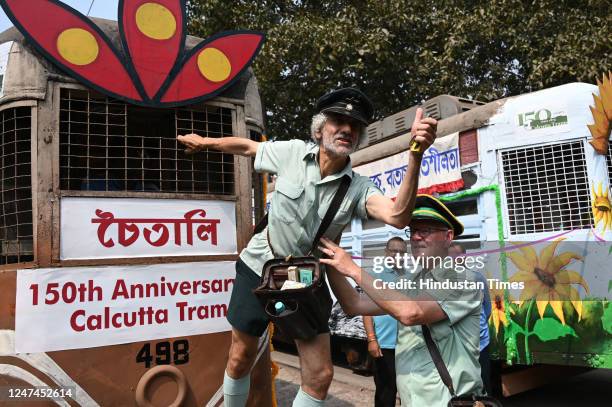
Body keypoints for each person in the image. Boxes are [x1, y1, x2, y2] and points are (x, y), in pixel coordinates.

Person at [177, 88, 438, 407]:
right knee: (240, 357)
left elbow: (398, 216)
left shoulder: (358, 188)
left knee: (320, 375)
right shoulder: (291, 153)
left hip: (303, 282)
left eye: (354, 125)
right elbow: (246, 146)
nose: (346, 129)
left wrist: (415, 154)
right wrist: (205, 143)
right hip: (258, 266)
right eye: (338, 121)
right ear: (320, 129)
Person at [319, 194, 484, 407]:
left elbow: (411, 312)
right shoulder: (409, 281)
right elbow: (354, 304)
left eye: (425, 231)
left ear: (448, 236)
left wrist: (354, 270)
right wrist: (332, 262)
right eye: (413, 231)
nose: (415, 237)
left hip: (449, 401)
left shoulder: (462, 279)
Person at [363, 237, 407, 407]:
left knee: (406, 390)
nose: (398, 255)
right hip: (384, 345)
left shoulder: (409, 276)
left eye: (402, 252)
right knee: (386, 392)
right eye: (394, 251)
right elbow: (366, 310)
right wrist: (372, 339)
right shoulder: (375, 275)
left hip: (406, 345)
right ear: (386, 252)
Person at [449, 243, 493, 395]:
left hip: (481, 342)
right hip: (459, 344)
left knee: (484, 380)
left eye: (458, 256)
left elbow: (487, 308)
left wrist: (477, 326)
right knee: (464, 385)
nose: (455, 260)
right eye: (451, 256)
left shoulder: (477, 277)